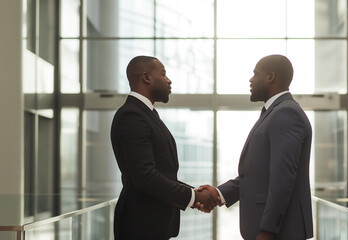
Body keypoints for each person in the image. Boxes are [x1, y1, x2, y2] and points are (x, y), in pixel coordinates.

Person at [199, 54, 314, 240]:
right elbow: (257, 175)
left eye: (255, 74)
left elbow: (282, 179)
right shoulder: (275, 113)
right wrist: (219, 193)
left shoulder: (285, 113)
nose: (251, 79)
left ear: (270, 77)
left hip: (279, 234)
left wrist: (268, 231)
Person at [110, 56, 220, 240]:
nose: (169, 80)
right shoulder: (131, 115)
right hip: (140, 226)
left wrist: (193, 195)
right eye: (163, 74)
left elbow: (162, 173)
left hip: (152, 225)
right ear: (146, 77)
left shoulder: (146, 114)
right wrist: (193, 196)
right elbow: (145, 176)